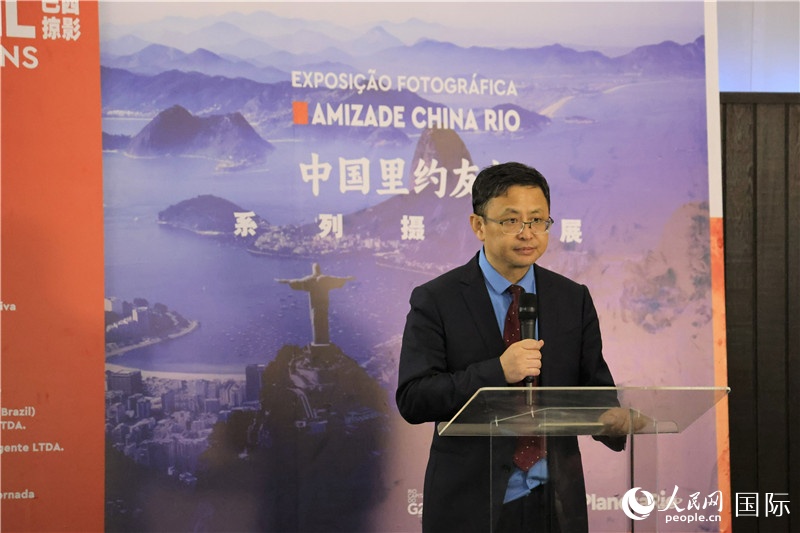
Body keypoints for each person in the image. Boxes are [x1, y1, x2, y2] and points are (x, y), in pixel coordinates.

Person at [396, 162, 627, 532]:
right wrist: (498, 371)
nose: (527, 232)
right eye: (511, 221)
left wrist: (612, 420)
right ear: (478, 225)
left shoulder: (572, 299)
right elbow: (414, 398)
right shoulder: (437, 299)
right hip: (470, 506)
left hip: (555, 505)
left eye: (537, 220)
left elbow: (595, 392)